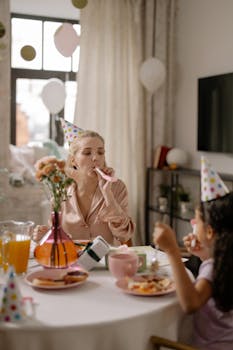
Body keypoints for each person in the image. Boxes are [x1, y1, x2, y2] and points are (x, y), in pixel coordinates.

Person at [153, 156, 233, 350]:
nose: (193, 225)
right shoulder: (225, 261)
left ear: (209, 232)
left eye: (196, 221)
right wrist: (204, 254)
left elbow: (191, 303)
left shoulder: (213, 268)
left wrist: (172, 250)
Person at [33, 120, 135, 246]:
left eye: (100, 152)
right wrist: (44, 235)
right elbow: (55, 237)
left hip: (106, 262)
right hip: (71, 262)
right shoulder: (61, 190)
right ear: (74, 161)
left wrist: (108, 194)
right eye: (87, 153)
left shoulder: (117, 187)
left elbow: (124, 235)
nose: (95, 158)